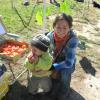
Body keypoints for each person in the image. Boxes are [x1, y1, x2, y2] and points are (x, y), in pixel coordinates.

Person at [47, 13, 79, 100]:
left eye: (65, 28)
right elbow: (46, 52)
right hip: (55, 59)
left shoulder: (73, 40)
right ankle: (54, 86)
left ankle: (65, 91)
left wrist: (53, 67)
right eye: (58, 27)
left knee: (65, 73)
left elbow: (69, 63)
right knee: (47, 70)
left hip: (67, 62)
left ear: (70, 28)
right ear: (53, 27)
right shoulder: (49, 36)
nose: (61, 31)